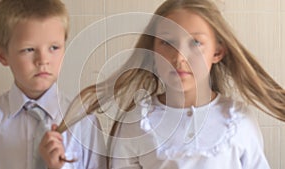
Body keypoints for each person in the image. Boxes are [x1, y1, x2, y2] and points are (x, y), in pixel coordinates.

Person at [55, 0, 284, 169]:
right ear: (153, 49)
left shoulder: (238, 121)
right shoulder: (136, 124)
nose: (179, 58)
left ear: (218, 51)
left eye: (195, 42)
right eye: (167, 42)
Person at [0, 0, 106, 169]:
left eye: (54, 47)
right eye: (29, 49)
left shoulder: (84, 121)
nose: (43, 60)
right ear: (2, 55)